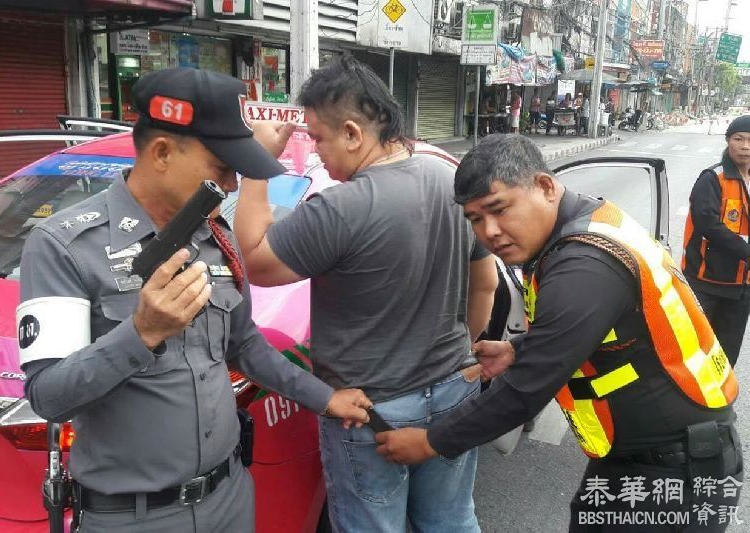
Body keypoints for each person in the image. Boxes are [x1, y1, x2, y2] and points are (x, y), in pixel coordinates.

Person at [18, 68, 372, 532]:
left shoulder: (216, 238)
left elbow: (244, 345)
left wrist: (326, 399)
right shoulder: (63, 245)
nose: (229, 186)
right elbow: (47, 397)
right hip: (134, 518)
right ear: (162, 152)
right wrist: (141, 334)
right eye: (221, 169)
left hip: (228, 500)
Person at [376, 134, 743, 532]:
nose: (490, 232)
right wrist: (519, 348)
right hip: (638, 459)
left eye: (499, 210)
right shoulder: (586, 221)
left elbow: (526, 390)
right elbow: (601, 328)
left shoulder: (583, 265)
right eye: (475, 219)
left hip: (676, 469)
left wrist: (432, 441)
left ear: (546, 187)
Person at [234, 55, 498, 532]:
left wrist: (256, 166)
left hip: (371, 411)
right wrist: (460, 358)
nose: (317, 149)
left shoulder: (340, 208)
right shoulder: (449, 181)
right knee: (451, 521)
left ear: (354, 133)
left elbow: (253, 259)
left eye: (318, 138)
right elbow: (487, 284)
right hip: (455, 391)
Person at [682, 115, 750, 368]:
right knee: (694, 351)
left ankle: (719, 402)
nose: (745, 146)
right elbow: (707, 223)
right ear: (728, 141)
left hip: (741, 285)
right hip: (705, 281)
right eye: (739, 139)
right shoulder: (712, 178)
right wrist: (746, 251)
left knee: (726, 356)